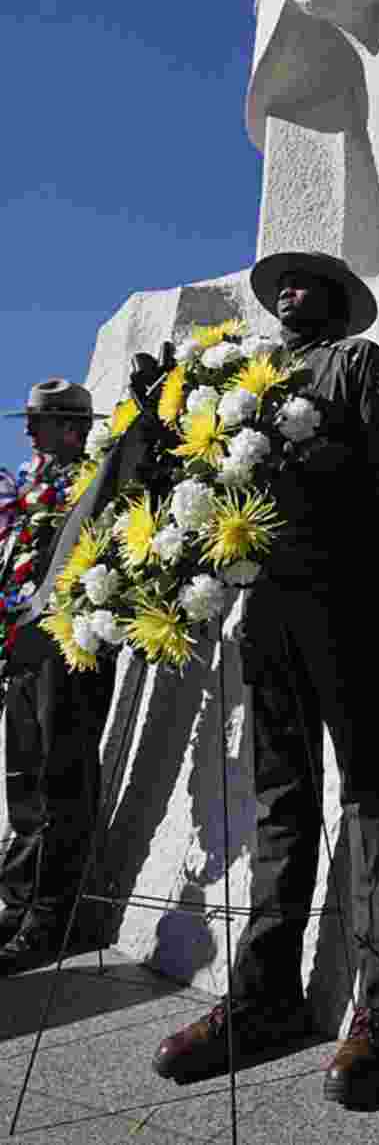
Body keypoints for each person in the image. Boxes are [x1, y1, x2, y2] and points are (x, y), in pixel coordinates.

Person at [152, 252, 379, 1109]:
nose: (289, 293)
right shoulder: (243, 379)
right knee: (278, 798)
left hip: (345, 603)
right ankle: (266, 994)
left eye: (306, 283)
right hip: (265, 614)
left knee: (372, 795)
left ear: (337, 300)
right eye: (282, 286)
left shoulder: (357, 364)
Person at [0, 379, 116, 974]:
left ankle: (53, 916)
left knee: (62, 778)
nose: (27, 433)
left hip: (71, 644)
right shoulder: (31, 487)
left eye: (38, 422)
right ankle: (17, 902)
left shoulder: (96, 485)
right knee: (24, 776)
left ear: (72, 428)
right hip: (24, 647)